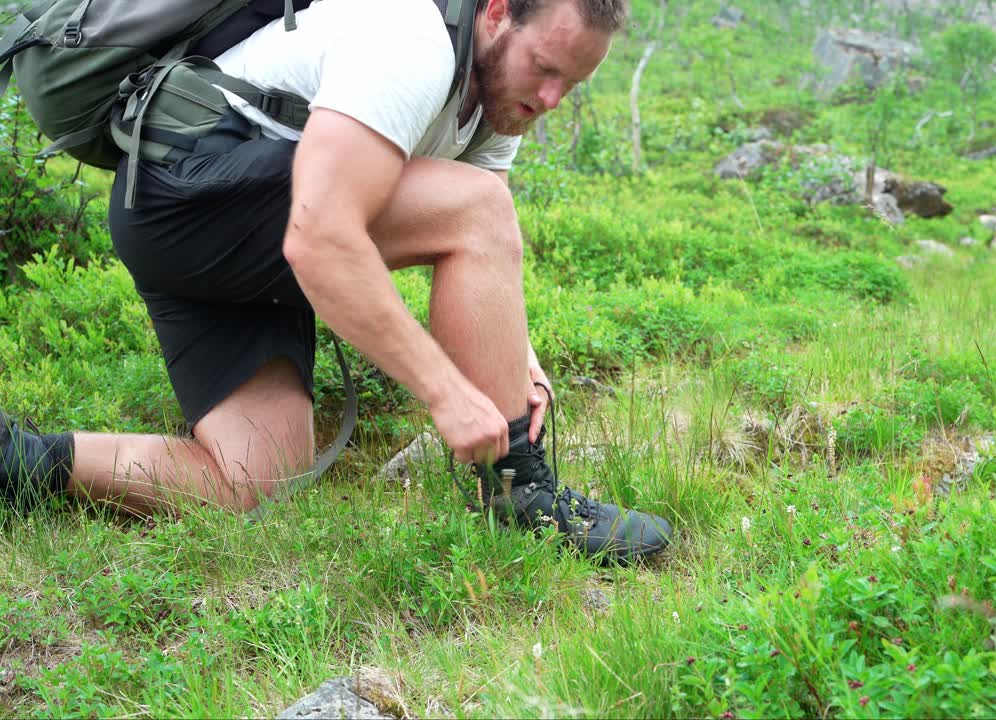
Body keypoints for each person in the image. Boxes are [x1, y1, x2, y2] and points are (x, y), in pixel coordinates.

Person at [0, 0, 672, 564]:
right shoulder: (411, 45)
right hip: (190, 195)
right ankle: (521, 496)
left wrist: (520, 367)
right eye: (546, 69)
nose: (551, 99)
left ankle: (23, 461)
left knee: (253, 474)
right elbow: (322, 239)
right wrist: (446, 393)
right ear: (497, 12)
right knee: (476, 207)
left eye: (572, 86)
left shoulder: (499, 98)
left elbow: (479, 248)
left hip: (220, 221)